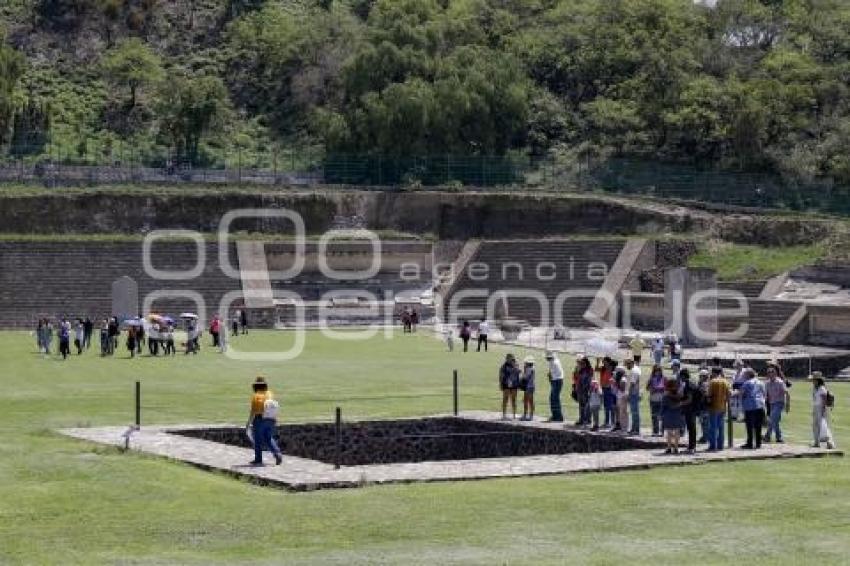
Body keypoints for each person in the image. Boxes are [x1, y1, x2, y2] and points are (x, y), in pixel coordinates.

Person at [248, 377, 283, 466]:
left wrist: (248, 423)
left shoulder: (256, 396)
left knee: (257, 439)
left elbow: (253, 412)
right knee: (268, 438)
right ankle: (277, 454)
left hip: (260, 419)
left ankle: (258, 459)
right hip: (271, 419)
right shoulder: (269, 394)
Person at [740, 368, 766, 449]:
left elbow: (742, 393)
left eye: (744, 374)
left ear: (748, 375)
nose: (743, 376)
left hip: (750, 406)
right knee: (758, 426)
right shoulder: (761, 382)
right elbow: (764, 393)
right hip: (760, 405)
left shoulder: (746, 383)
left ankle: (750, 443)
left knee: (750, 426)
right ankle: (758, 443)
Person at [763, 365, 790, 443]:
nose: (770, 374)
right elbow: (765, 395)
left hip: (779, 403)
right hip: (771, 404)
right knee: (775, 421)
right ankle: (778, 438)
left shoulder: (780, 382)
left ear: (775, 374)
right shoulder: (767, 383)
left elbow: (787, 393)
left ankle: (767, 436)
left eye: (771, 372)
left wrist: (787, 405)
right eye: (768, 373)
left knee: (772, 419)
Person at [706, 366, 730, 451]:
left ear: (713, 372)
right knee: (721, 427)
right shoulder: (725, 381)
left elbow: (709, 395)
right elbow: (729, 394)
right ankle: (721, 445)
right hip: (722, 406)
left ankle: (713, 445)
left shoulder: (712, 382)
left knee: (713, 427)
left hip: (713, 406)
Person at [810, 372, 835, 449]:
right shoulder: (815, 388)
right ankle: (817, 442)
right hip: (816, 407)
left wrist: (823, 410)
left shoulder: (822, 388)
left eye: (814, 380)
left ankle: (830, 442)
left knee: (823, 426)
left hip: (821, 408)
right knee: (815, 425)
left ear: (818, 380)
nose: (812, 381)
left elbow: (824, 399)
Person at [679, 369, 701, 454]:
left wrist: (680, 403)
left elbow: (689, 399)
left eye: (681, 376)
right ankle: (691, 446)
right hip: (693, 409)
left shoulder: (688, 385)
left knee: (691, 428)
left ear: (683, 376)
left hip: (690, 409)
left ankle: (692, 447)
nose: (680, 378)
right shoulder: (692, 383)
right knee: (691, 428)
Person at [662, 377, 684, 454]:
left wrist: (661, 415)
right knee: (677, 432)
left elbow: (664, 407)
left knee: (669, 432)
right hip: (678, 415)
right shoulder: (680, 396)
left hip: (668, 415)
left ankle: (669, 447)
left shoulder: (666, 396)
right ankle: (676, 447)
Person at [647, 365, 666, 436]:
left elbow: (666, 389)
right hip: (653, 399)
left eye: (658, 371)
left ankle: (662, 431)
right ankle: (655, 431)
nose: (657, 372)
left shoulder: (664, 379)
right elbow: (647, 388)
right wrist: (652, 389)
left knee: (662, 416)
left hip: (661, 399)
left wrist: (660, 389)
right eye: (656, 371)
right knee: (654, 416)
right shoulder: (651, 379)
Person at [499, 354, 520, 420]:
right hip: (506, 385)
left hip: (514, 385)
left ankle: (514, 414)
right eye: (510, 359)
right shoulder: (503, 366)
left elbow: (518, 373)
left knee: (514, 400)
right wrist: (501, 384)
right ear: (507, 359)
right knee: (505, 399)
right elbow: (501, 376)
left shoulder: (516, 365)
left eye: (512, 359)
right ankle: (504, 415)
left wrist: (515, 367)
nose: (511, 360)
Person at [545, 350, 564, 422]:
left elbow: (552, 376)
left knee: (554, 398)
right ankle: (556, 415)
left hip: (556, 381)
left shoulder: (553, 363)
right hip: (557, 380)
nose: (546, 359)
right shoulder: (554, 361)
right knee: (554, 398)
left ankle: (557, 416)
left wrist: (550, 377)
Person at [574, 357, 593, 426]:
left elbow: (589, 381)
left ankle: (587, 420)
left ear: (586, 363)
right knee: (581, 405)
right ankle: (581, 419)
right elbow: (576, 378)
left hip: (586, 390)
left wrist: (587, 389)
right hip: (580, 390)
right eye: (581, 363)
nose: (581, 364)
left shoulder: (589, 370)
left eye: (583, 363)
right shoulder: (580, 370)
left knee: (587, 406)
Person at [625, 359, 641, 434]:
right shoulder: (637, 369)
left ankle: (636, 429)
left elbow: (633, 383)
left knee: (634, 412)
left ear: (631, 363)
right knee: (635, 412)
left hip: (633, 393)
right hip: (635, 393)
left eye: (627, 364)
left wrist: (629, 394)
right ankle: (634, 428)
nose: (626, 366)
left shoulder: (634, 371)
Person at [598, 358, 616, 427]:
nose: (604, 363)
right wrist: (598, 360)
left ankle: (612, 422)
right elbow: (596, 368)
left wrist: (606, 385)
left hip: (609, 389)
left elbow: (611, 381)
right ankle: (607, 422)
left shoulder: (612, 370)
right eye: (603, 362)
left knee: (610, 406)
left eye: (605, 362)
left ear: (609, 362)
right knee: (606, 406)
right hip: (604, 389)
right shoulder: (603, 369)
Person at [520, 356, 536, 421]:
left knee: (528, 401)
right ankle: (528, 415)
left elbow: (525, 377)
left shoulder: (529, 369)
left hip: (529, 387)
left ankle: (528, 415)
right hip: (529, 386)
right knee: (527, 401)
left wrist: (522, 374)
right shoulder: (531, 368)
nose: (524, 363)